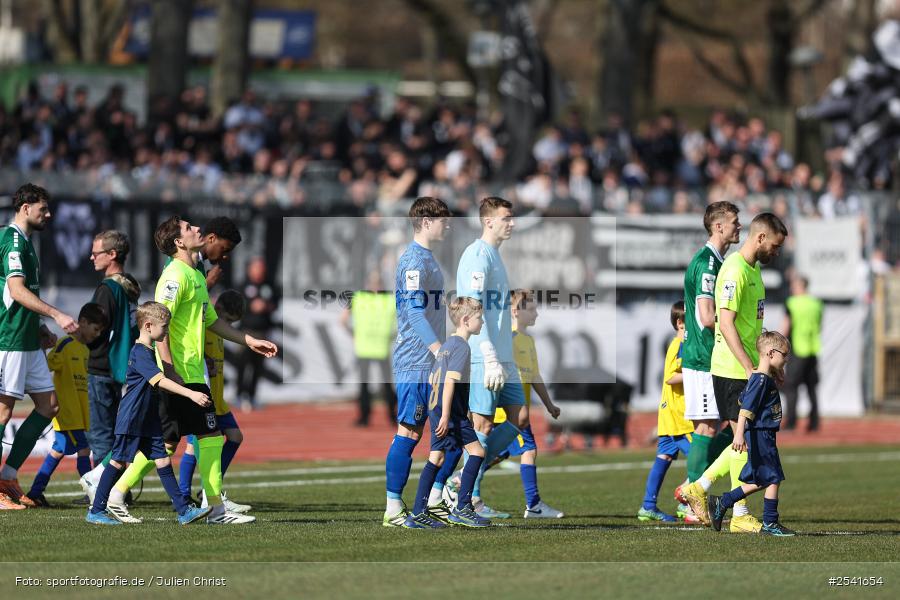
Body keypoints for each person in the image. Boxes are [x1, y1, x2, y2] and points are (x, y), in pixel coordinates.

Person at [90, 216, 277, 525]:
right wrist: (170, 370)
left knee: (167, 442)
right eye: (189, 228)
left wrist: (249, 341)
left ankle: (116, 493)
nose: (196, 229)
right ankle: (216, 510)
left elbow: (211, 321)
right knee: (211, 436)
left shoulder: (196, 275)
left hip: (190, 370)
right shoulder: (174, 276)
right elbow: (157, 321)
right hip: (180, 373)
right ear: (178, 241)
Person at [683, 213, 787, 533]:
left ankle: (699, 487)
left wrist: (768, 364)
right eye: (775, 245)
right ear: (760, 238)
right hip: (732, 369)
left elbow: (750, 325)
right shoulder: (734, 270)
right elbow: (724, 322)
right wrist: (748, 366)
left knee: (741, 439)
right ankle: (739, 513)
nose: (777, 252)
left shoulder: (753, 270)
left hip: (750, 368)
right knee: (745, 441)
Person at [85, 302, 212, 526]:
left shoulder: (149, 350)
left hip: (148, 417)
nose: (167, 331)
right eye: (165, 326)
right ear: (148, 325)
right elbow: (160, 380)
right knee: (117, 462)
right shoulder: (140, 352)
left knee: (162, 459)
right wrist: (190, 394)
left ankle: (183, 511)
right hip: (133, 417)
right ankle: (96, 511)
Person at [0, 183, 78, 510]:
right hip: (10, 340)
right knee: (3, 411)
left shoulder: (28, 243)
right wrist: (56, 314)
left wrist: (40, 327)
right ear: (25, 207)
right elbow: (17, 291)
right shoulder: (12, 240)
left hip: (28, 338)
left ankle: (7, 475)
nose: (48, 214)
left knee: (49, 405)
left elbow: (22, 293)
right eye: (43, 209)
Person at [452, 289, 563, 518]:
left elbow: (534, 376)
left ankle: (465, 485)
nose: (536, 313)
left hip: (521, 410)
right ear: (515, 312)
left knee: (496, 454)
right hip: (508, 413)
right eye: (531, 309)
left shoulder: (528, 341)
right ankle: (532, 505)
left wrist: (548, 404)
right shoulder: (507, 341)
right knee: (527, 450)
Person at [454, 197, 530, 519]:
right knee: (482, 423)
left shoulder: (495, 256)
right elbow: (471, 306)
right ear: (488, 221)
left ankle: (463, 479)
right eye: (506, 218)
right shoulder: (477, 255)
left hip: (503, 355)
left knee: (520, 417)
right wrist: (485, 351)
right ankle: (469, 495)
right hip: (484, 355)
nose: (511, 223)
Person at [383, 196, 451, 527]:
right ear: (426, 222)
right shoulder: (413, 260)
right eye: (442, 219)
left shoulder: (428, 258)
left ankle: (432, 501)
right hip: (415, 359)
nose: (447, 224)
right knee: (409, 431)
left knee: (429, 430)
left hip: (428, 360)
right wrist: (439, 349)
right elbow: (413, 311)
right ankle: (394, 509)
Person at [406, 296, 490, 528]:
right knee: (477, 453)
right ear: (465, 320)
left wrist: (463, 409)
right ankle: (463, 507)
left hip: (439, 409)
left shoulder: (445, 346)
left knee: (437, 457)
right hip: (448, 412)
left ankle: (418, 512)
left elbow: (437, 379)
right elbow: (450, 382)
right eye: (478, 318)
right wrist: (447, 415)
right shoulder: (462, 346)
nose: (481, 322)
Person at [708, 331, 796, 536]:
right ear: (771, 353)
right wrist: (739, 434)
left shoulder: (761, 377)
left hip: (763, 434)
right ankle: (770, 522)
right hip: (761, 434)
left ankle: (723, 502)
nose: (786, 360)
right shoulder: (760, 380)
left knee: (759, 479)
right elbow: (745, 408)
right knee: (773, 478)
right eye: (785, 355)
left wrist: (776, 373)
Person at [680, 202, 741, 488]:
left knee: (729, 425)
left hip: (712, 357)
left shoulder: (717, 262)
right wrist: (734, 329)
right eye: (734, 222)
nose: (739, 226)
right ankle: (692, 498)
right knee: (705, 427)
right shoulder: (707, 264)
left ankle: (694, 486)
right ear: (718, 226)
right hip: (704, 356)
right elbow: (706, 317)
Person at [24, 303, 107, 506]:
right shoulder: (65, 344)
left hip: (80, 413)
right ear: (83, 323)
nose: (96, 335)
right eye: (95, 329)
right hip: (67, 412)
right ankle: (93, 492)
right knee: (84, 449)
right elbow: (46, 365)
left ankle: (35, 492)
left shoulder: (85, 350)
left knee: (58, 450)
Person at [190, 290, 251, 513]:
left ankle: (208, 491)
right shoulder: (204, 325)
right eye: (226, 319)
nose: (226, 324)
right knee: (187, 447)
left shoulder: (220, 330)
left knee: (235, 437)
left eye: (230, 323)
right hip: (203, 396)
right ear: (218, 309)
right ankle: (195, 493)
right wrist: (205, 359)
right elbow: (192, 349)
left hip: (218, 398)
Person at [85, 230, 140, 471]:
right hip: (123, 365)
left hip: (102, 366)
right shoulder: (129, 285)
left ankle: (102, 489)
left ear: (112, 254)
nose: (91, 257)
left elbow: (95, 328)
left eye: (96, 253)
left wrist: (77, 334)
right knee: (117, 431)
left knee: (100, 434)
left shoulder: (107, 288)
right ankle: (118, 488)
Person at [637, 301, 694, 522]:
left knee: (664, 457)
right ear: (680, 323)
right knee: (702, 458)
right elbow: (671, 378)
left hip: (670, 412)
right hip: (679, 414)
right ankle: (687, 501)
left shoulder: (684, 344)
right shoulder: (678, 344)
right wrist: (697, 374)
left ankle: (648, 505)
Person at [341, 269, 397, 426]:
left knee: (366, 383)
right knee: (385, 383)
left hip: (365, 346)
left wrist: (354, 334)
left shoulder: (358, 298)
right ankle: (392, 417)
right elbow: (402, 323)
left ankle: (365, 417)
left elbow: (343, 320)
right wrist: (391, 336)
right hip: (380, 346)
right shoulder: (390, 300)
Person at [781, 275, 823, 431]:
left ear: (800, 286)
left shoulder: (792, 303)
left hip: (798, 348)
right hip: (813, 348)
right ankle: (814, 422)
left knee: (791, 386)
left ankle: (791, 421)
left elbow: (786, 326)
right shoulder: (816, 303)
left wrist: (778, 345)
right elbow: (819, 323)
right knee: (811, 387)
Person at [237, 257, 279, 412]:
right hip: (246, 333)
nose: (259, 272)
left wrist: (266, 306)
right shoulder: (243, 286)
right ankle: (240, 395)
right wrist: (251, 306)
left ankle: (252, 396)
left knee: (257, 366)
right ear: (250, 270)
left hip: (263, 332)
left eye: (261, 269)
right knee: (242, 364)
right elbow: (237, 305)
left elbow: (276, 303)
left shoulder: (269, 286)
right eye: (256, 268)